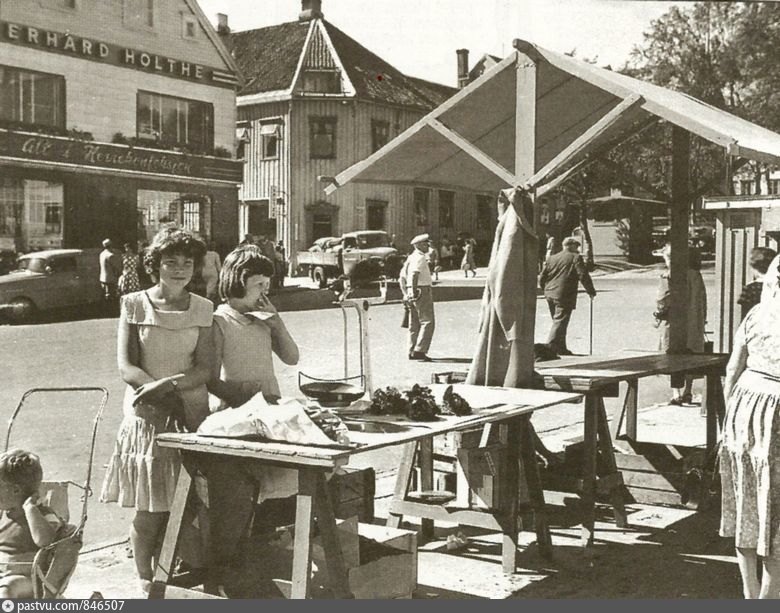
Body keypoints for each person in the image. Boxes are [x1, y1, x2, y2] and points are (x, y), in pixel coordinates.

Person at [100, 228, 213, 595]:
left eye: (187, 263)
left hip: (190, 417)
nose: (179, 269)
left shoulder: (203, 307)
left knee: (190, 504)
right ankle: (145, 580)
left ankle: (178, 571)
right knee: (151, 508)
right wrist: (157, 391)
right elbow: (127, 366)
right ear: (154, 265)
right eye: (170, 262)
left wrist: (172, 387)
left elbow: (205, 368)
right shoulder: (134, 303)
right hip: (147, 417)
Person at [205, 245, 300, 587]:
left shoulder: (263, 319)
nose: (264, 292)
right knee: (237, 494)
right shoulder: (220, 320)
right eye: (258, 284)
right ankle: (228, 565)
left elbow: (292, 357)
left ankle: (260, 557)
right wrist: (247, 401)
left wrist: (276, 322)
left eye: (267, 285)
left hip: (267, 409)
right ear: (238, 281)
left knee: (271, 487)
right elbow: (212, 378)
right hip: (235, 414)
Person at [719, 259, 780, 599]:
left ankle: (750, 591)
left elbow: (732, 370)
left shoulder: (756, 314)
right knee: (775, 508)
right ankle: (770, 596)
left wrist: (731, 421)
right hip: (776, 412)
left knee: (746, 501)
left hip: (745, 407)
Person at [0, 450, 63, 598]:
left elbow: (45, 541)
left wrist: (30, 509)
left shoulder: (43, 513)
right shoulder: (4, 513)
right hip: (3, 570)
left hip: (27, 577)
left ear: (16, 490)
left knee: (6, 589)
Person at [654, 244, 707, 404]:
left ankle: (676, 393)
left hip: (673, 323)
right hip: (693, 322)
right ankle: (688, 390)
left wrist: (658, 313)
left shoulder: (668, 275)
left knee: (672, 355)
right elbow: (702, 300)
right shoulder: (696, 275)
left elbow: (662, 300)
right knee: (690, 354)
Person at [538, 236, 596, 355]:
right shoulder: (575, 257)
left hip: (550, 293)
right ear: (571, 246)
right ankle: (551, 347)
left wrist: (545, 289)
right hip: (564, 293)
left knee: (558, 320)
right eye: (577, 246)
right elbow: (582, 274)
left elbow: (542, 276)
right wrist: (590, 291)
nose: (578, 249)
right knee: (560, 321)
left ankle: (561, 347)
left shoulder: (552, 258)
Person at [400, 234, 435, 361]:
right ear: (418, 245)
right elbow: (415, 274)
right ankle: (420, 350)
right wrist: (414, 290)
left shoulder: (410, 257)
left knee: (414, 323)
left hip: (411, 290)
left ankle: (411, 350)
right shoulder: (420, 258)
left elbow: (402, 277)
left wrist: (406, 292)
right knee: (428, 321)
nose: (428, 246)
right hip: (421, 290)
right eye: (425, 244)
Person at [737, 247, 777, 321]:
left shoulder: (750, 288)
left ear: (753, 267)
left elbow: (745, 315)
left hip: (756, 324)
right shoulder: (776, 286)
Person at [99, 239, 122, 303]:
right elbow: (117, 267)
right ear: (111, 245)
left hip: (103, 278)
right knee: (112, 296)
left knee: (105, 295)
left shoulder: (101, 254)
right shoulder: (110, 255)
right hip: (111, 279)